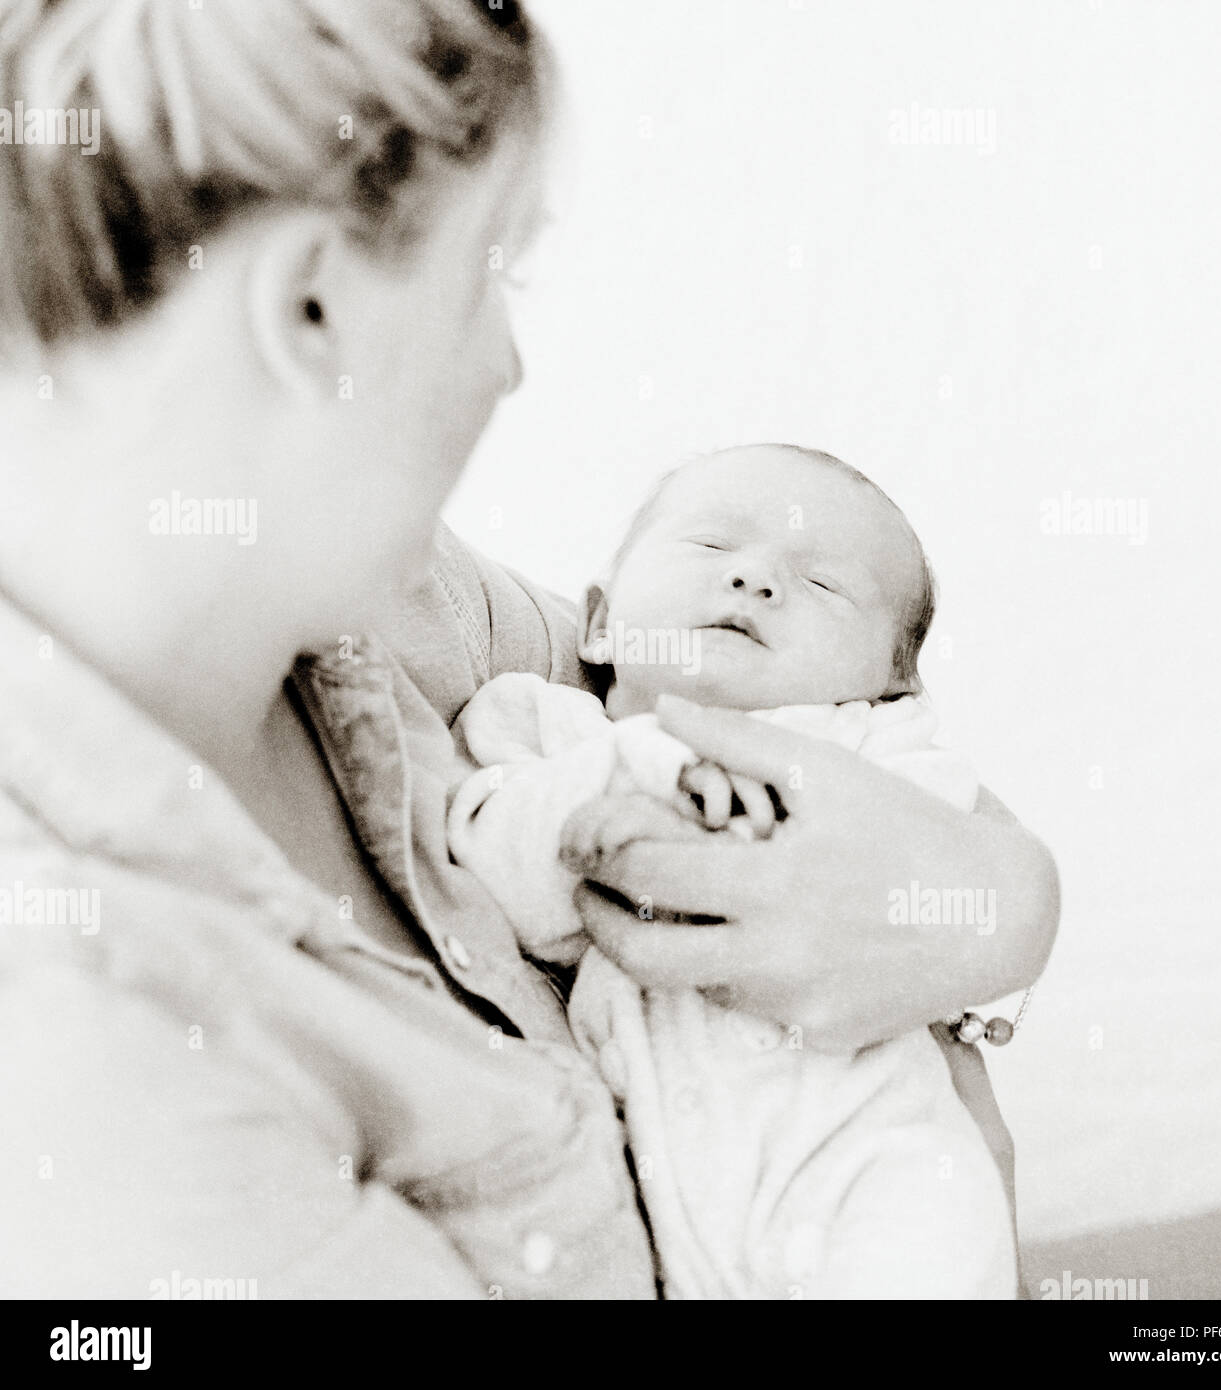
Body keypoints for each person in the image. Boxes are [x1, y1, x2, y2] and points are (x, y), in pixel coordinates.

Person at [0, 0, 1057, 1297]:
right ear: (310, 305)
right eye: (490, 270)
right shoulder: (92, 1046)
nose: (511, 363)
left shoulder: (383, 597)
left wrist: (995, 912)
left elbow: (801, 722)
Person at [447, 444, 1024, 1298]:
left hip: (872, 1152)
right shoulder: (542, 729)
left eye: (825, 585)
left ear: (889, 687)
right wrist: (622, 783)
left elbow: (963, 890)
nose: (756, 581)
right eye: (713, 547)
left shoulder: (876, 758)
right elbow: (491, 870)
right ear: (601, 622)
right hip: (661, 1189)